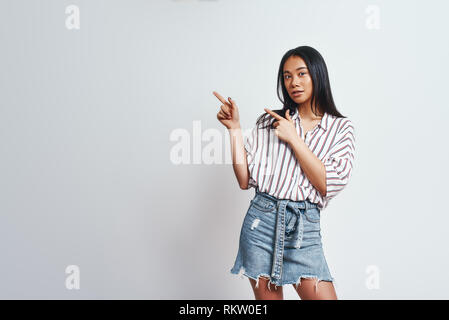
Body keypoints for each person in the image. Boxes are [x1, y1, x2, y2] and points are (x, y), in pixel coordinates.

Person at [213, 45, 355, 300]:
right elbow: (244, 180)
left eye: (301, 74)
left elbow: (327, 183)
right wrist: (234, 128)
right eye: (287, 76)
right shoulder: (268, 121)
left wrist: (294, 139)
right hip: (261, 223)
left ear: (317, 75)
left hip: (304, 230)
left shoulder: (340, 128)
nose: (293, 82)